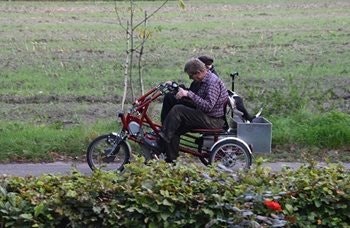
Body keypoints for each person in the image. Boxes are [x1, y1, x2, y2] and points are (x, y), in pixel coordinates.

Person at [159, 58, 229, 163]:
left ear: (199, 72)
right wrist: (177, 88)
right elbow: (196, 97)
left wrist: (189, 94)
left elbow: (208, 106)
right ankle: (171, 161)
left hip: (213, 120)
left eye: (191, 76)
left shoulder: (212, 83)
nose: (191, 79)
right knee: (174, 129)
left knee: (178, 110)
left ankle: (162, 138)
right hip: (205, 115)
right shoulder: (203, 81)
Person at [160, 55, 218, 124]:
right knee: (169, 96)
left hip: (202, 111)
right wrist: (175, 86)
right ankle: (164, 127)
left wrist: (187, 94)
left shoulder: (211, 81)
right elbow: (192, 91)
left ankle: (166, 130)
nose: (190, 78)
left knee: (177, 108)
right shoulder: (201, 77)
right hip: (196, 103)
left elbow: (207, 106)